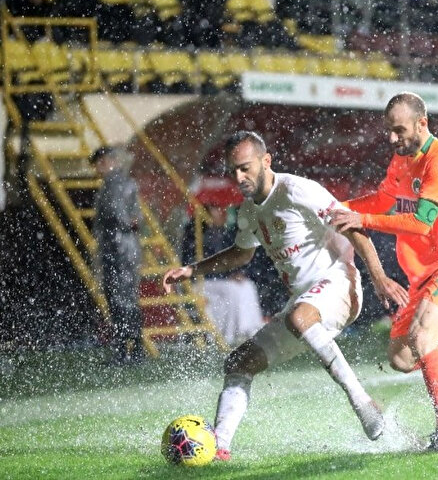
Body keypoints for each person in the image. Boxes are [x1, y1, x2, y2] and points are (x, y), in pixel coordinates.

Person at [162, 131, 408, 462]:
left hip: (338, 282)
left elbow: (352, 228)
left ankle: (363, 402)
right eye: (233, 170)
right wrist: (194, 269)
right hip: (303, 303)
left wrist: (379, 278)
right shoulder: (249, 211)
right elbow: (241, 254)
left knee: (299, 316)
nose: (239, 177)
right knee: (238, 363)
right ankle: (218, 448)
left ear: (266, 161)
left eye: (245, 168)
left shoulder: (297, 190)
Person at [330, 92, 438, 452]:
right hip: (422, 277)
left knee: (421, 338)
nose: (392, 139)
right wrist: (337, 208)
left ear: (422, 124)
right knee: (401, 358)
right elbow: (382, 200)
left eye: (398, 130)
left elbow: (421, 222)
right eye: (388, 131)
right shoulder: (400, 161)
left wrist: (362, 219)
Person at [181, 201, 263, 346]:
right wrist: (225, 276)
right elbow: (197, 264)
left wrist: (237, 273)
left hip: (219, 280)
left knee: (247, 286)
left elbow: (232, 259)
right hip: (203, 282)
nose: (221, 214)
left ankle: (251, 330)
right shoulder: (196, 234)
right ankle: (228, 336)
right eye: (216, 212)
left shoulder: (223, 233)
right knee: (231, 290)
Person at [90, 146, 145, 364]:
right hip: (124, 248)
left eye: (99, 163)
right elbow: (134, 217)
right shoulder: (124, 182)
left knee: (120, 299)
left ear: (106, 161)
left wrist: (123, 224)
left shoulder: (114, 185)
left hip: (118, 249)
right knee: (126, 298)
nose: (97, 169)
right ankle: (133, 348)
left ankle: (125, 349)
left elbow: (116, 213)